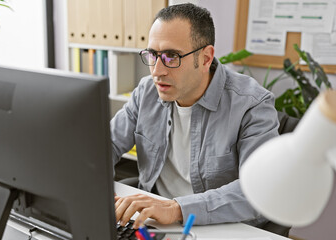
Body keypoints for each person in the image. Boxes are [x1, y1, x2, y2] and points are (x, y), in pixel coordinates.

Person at [111, 3, 279, 230]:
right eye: (153, 54)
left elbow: (259, 189)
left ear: (206, 58)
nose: (157, 71)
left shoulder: (252, 105)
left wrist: (175, 208)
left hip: (221, 227)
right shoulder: (146, 91)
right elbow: (106, 145)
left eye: (172, 56)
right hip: (154, 222)